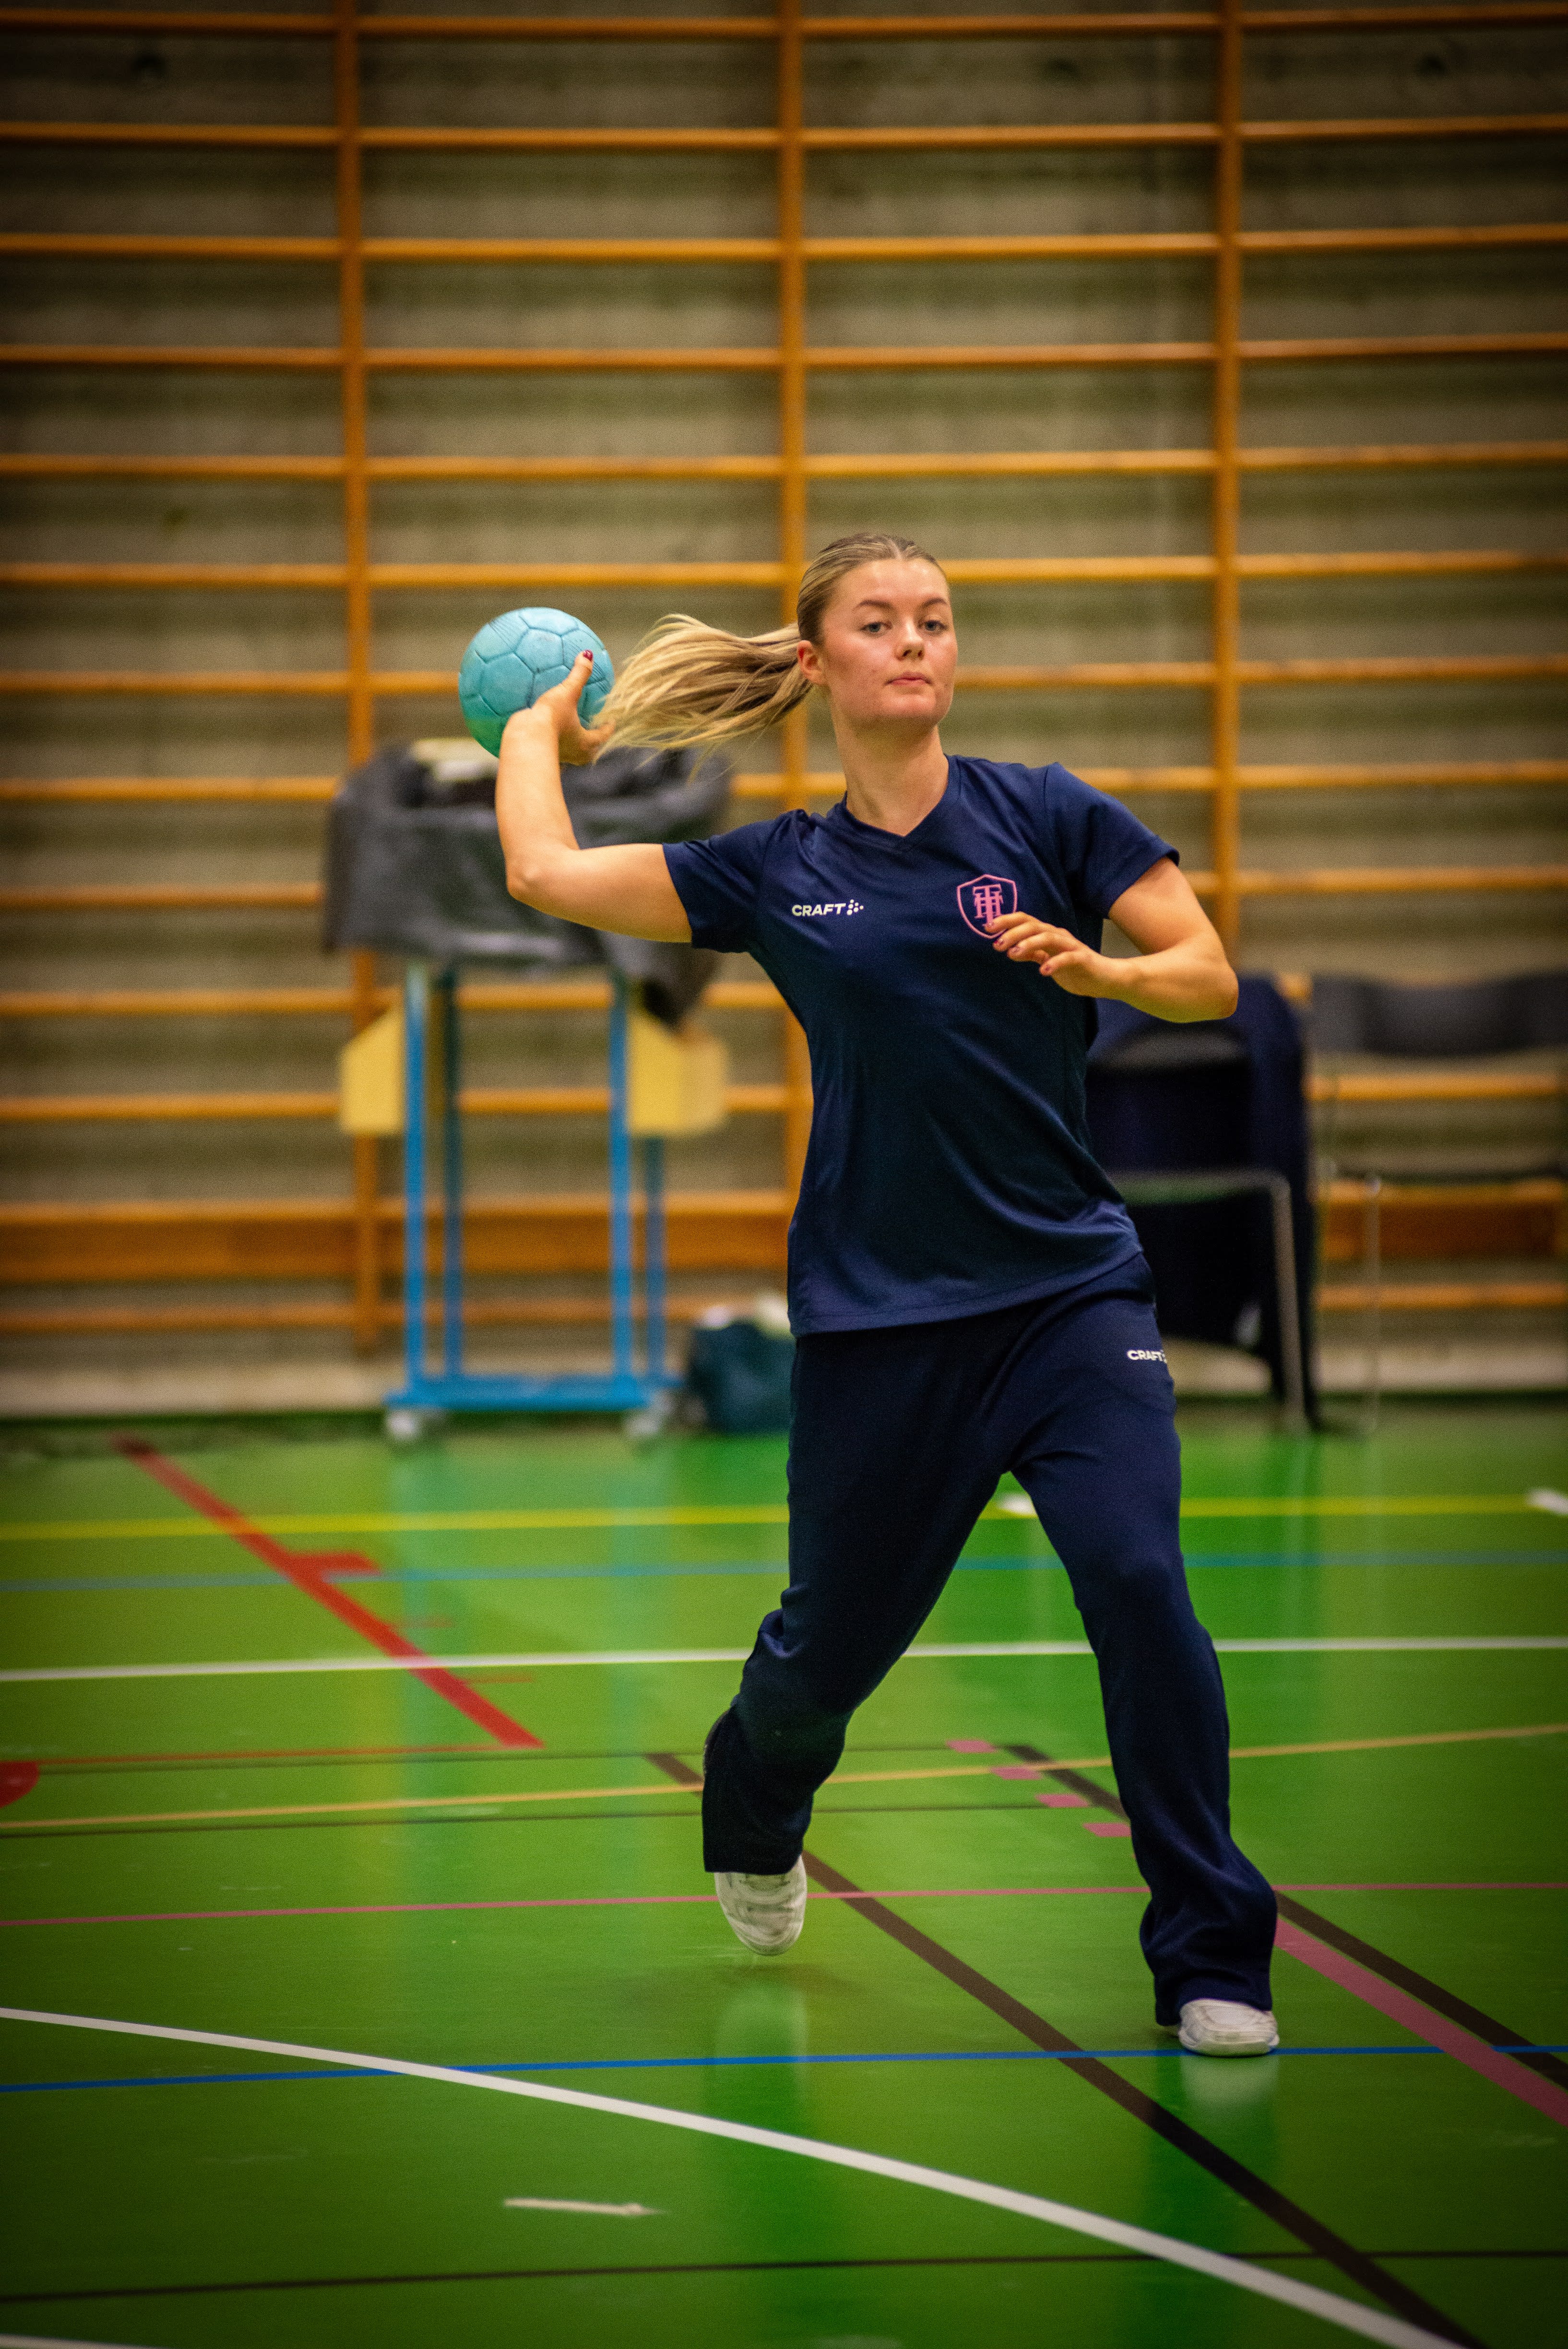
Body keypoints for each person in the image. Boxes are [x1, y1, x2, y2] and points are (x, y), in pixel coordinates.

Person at [495, 530, 1279, 2057]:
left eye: (934, 618)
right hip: (879, 1320)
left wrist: (1108, 976)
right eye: (879, 621)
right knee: (821, 1661)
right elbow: (544, 873)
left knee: (1137, 1584)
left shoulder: (1048, 815)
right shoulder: (777, 872)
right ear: (818, 663)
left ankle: (1211, 1956)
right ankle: (756, 1804)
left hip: (1067, 1293)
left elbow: (1207, 974)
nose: (914, 641)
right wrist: (537, 735)